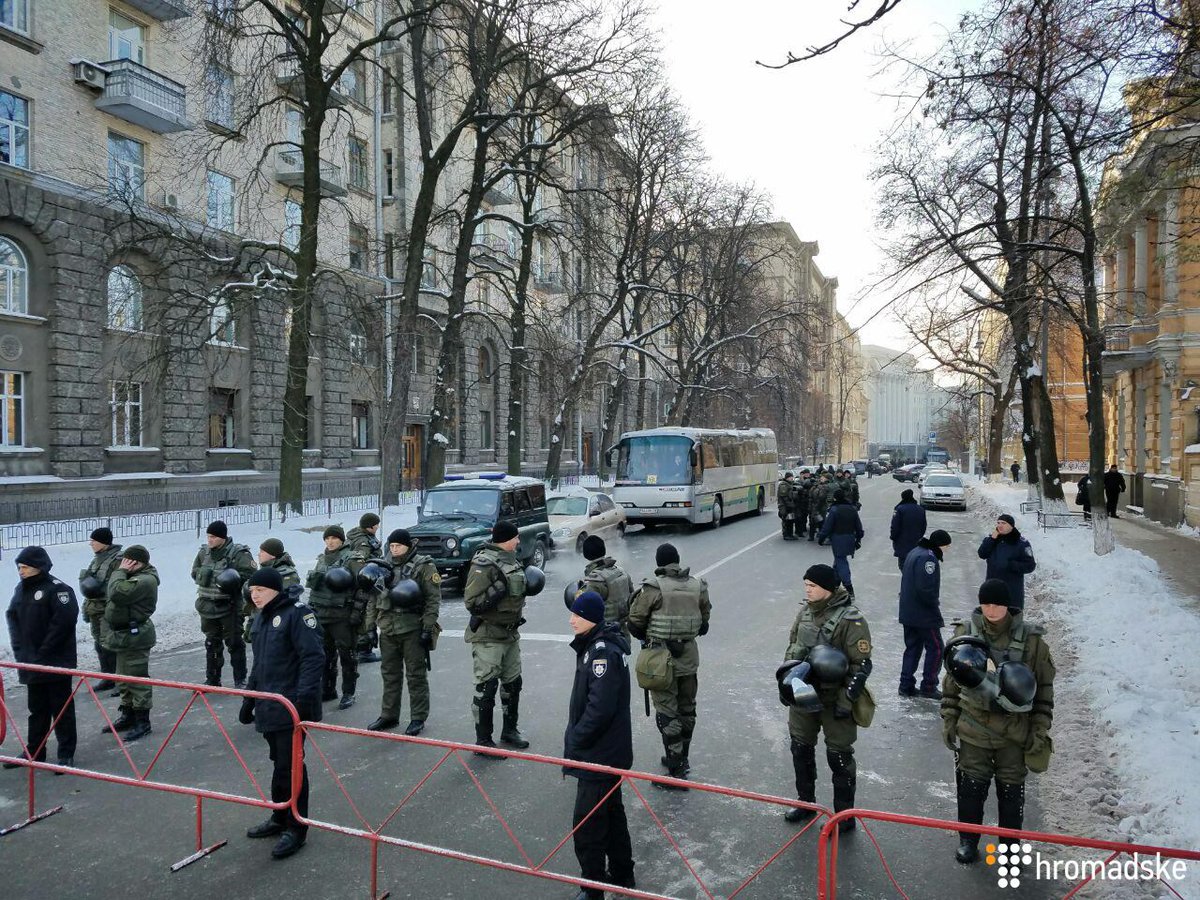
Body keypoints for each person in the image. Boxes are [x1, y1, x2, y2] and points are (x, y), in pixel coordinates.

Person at [941, 579, 1055, 864]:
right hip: (974, 728)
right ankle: (968, 840)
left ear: (1009, 606)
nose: (991, 610)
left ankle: (1009, 848)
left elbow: (1044, 691)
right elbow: (952, 684)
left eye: (998, 604)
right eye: (986, 603)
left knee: (1011, 791)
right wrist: (949, 719)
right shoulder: (965, 635)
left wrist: (1040, 730)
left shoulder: (1032, 642)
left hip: (1014, 734)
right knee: (970, 788)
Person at [240, 566, 325, 860]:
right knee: (279, 764)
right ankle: (279, 815)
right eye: (252, 591)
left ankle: (296, 827)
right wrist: (249, 699)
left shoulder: (298, 615)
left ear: (275, 590)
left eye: (260, 590)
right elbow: (260, 664)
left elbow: (313, 659)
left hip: (291, 705)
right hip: (269, 705)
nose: (255, 595)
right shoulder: (261, 618)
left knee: (293, 766)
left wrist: (302, 701)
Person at [779, 564, 872, 830]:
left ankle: (844, 817)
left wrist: (847, 700)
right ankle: (805, 803)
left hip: (836, 701)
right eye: (806, 585)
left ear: (828, 590)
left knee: (839, 758)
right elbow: (792, 649)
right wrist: (787, 685)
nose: (807, 590)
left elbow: (861, 665)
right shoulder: (805, 613)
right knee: (801, 748)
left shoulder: (851, 620)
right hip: (803, 695)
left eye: (813, 586)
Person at [563, 590, 635, 900]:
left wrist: (576, 740)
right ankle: (622, 874)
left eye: (576, 615)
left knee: (588, 825)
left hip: (598, 754)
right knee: (612, 816)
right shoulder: (595, 646)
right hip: (609, 751)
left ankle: (592, 889)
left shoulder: (601, 653)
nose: (571, 619)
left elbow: (600, 708)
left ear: (591, 618)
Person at [627, 543, 711, 787]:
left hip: (660, 659)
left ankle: (675, 771)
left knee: (666, 711)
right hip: (689, 658)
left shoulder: (653, 588)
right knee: (687, 708)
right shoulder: (698, 586)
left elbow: (634, 622)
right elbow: (704, 625)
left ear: (659, 563)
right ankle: (682, 757)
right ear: (677, 560)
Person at [4, 546, 79, 769]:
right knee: (37, 710)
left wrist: (44, 652)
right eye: (19, 567)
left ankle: (66, 754)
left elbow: (63, 624)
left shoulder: (58, 590)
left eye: (25, 567)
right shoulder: (21, 589)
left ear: (39, 566)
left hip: (55, 662)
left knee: (61, 709)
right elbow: (13, 618)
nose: (21, 571)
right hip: (30, 662)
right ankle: (35, 752)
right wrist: (20, 651)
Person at [463, 520, 531, 751]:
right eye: (516, 537)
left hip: (510, 635)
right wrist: (496, 591)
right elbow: (471, 603)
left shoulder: (511, 560)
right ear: (507, 539)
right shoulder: (484, 563)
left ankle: (510, 730)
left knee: (513, 684)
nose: (518, 541)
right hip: (488, 636)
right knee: (486, 687)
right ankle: (483, 741)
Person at [367, 528, 441, 736]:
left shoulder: (423, 566)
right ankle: (389, 714)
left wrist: (427, 628)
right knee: (389, 674)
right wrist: (370, 627)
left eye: (398, 545)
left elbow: (432, 600)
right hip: (388, 628)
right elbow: (373, 599)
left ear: (408, 546)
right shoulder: (382, 566)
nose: (394, 549)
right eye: (391, 545)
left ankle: (418, 717)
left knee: (416, 675)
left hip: (412, 628)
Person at [100, 545, 159, 742]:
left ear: (137, 562)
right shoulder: (129, 575)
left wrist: (120, 571)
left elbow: (117, 593)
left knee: (137, 678)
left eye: (128, 561)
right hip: (124, 635)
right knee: (123, 678)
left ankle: (143, 721)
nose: (124, 564)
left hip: (137, 636)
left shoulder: (146, 580)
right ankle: (128, 714)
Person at [192, 520, 257, 688]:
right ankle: (212, 679)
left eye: (213, 537)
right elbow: (194, 572)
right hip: (207, 605)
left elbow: (251, 576)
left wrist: (232, 578)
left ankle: (240, 679)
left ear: (222, 537)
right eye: (208, 536)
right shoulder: (203, 553)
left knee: (234, 642)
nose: (210, 540)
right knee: (211, 642)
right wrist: (204, 575)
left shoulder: (238, 553)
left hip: (229, 606)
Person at [306, 525, 364, 709]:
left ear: (341, 540)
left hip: (342, 616)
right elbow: (316, 586)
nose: (330, 542)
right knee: (325, 655)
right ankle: (328, 689)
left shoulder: (352, 559)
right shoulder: (322, 559)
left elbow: (362, 588)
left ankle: (349, 692)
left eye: (334, 538)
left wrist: (356, 612)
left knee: (347, 655)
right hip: (322, 614)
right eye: (327, 538)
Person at [897, 529, 952, 699]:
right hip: (923, 614)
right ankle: (929, 685)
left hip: (909, 610)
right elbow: (925, 588)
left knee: (913, 647)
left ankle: (905, 685)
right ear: (941, 545)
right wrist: (934, 606)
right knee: (936, 648)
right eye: (947, 546)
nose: (947, 550)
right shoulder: (929, 558)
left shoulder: (915, 551)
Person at [78, 527, 123, 691]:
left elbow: (118, 585)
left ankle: (120, 680)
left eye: (94, 541)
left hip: (107, 608)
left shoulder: (117, 560)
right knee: (99, 644)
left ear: (103, 542)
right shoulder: (97, 560)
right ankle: (107, 676)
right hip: (94, 608)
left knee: (110, 644)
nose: (91, 544)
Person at [243, 538, 300, 642]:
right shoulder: (264, 570)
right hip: (260, 618)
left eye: (262, 552)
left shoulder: (286, 574)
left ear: (272, 555)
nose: (259, 554)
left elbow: (286, 601)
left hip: (276, 623)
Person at [976, 515, 1036, 610]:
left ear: (1011, 526)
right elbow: (982, 554)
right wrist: (992, 539)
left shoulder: (1021, 543)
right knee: (992, 617)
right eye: (998, 523)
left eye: (1003, 523)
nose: (1000, 525)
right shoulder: (992, 540)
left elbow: (1030, 565)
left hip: (1012, 590)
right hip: (992, 587)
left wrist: (1011, 565)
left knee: (1011, 619)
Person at [578, 535, 633, 638]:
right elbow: (632, 598)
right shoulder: (621, 571)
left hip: (604, 635)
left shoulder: (595, 580)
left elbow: (585, 609)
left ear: (586, 555)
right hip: (623, 633)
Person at [347, 513, 384, 664]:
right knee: (365, 613)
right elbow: (361, 561)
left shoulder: (358, 535)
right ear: (370, 526)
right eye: (376, 525)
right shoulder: (363, 541)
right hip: (365, 581)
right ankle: (363, 649)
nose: (377, 527)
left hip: (363, 580)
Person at [818, 490, 864, 599]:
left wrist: (821, 537)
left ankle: (849, 588)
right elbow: (858, 526)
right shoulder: (852, 509)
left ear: (835, 498)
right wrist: (858, 539)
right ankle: (835, 586)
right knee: (837, 562)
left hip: (838, 539)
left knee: (841, 562)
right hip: (850, 538)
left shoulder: (834, 510)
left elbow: (827, 526)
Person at [889, 489, 927, 572]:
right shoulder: (920, 509)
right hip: (916, 543)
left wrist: (893, 537)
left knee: (904, 566)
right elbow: (924, 526)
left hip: (902, 543)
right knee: (915, 565)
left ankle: (908, 582)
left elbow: (895, 526)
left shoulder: (900, 509)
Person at [807, 474, 831, 543]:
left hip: (822, 506)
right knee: (813, 522)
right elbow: (811, 495)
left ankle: (822, 536)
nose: (821, 478)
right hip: (814, 505)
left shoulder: (826, 486)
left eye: (823, 478)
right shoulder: (816, 485)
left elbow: (822, 497)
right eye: (821, 477)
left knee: (821, 521)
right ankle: (811, 536)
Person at [777, 472, 799, 541]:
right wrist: (789, 505)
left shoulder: (789, 484)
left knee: (790, 520)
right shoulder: (783, 485)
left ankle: (790, 534)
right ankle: (786, 534)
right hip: (784, 506)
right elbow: (784, 497)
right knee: (786, 520)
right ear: (787, 478)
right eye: (790, 477)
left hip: (789, 505)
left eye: (792, 477)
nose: (792, 478)